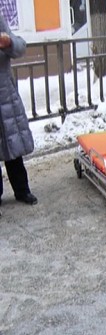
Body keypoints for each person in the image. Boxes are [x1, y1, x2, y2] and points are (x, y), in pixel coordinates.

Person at [0, 13, 38, 206]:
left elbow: (20, 46)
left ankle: (22, 190)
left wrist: (9, 43)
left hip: (4, 94)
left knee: (12, 143)